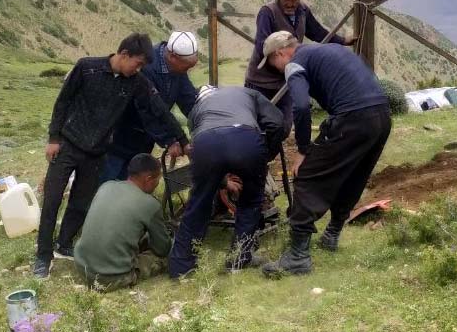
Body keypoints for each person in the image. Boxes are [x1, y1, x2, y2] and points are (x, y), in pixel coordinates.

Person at [33, 33, 186, 279]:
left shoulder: (136, 82)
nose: (138, 70)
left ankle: (64, 244)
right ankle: (43, 256)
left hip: (97, 152)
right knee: (52, 200)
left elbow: (159, 111)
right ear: (124, 55)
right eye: (137, 63)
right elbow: (62, 101)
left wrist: (182, 140)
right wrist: (53, 138)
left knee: (81, 202)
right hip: (68, 145)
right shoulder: (87, 67)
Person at [258, 31, 391, 277]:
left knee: (307, 174)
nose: (276, 70)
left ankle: (298, 256)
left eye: (273, 64)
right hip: (381, 116)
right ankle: (331, 234)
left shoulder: (294, 63)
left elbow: (300, 106)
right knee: (353, 175)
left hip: (353, 117)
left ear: (279, 54)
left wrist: (303, 149)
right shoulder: (329, 49)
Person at [167, 85, 285, 278]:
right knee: (250, 203)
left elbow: (201, 149)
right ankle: (238, 261)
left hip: (207, 144)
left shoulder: (196, 111)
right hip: (246, 140)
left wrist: (220, 180)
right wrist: (265, 154)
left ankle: (181, 269)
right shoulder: (246, 93)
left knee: (198, 204)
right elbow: (277, 122)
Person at [244, 0, 356, 135]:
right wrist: (281, 58)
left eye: (294, 0)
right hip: (260, 82)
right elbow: (262, 44)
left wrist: (342, 41)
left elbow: (317, 32)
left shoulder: (303, 11)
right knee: (256, 126)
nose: (290, 4)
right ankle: (258, 157)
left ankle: (266, 153)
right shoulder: (267, 12)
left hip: (286, 80)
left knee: (283, 126)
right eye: (285, 0)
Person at [101, 31, 199, 182]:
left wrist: (203, 122)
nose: (187, 71)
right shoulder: (147, 66)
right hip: (120, 137)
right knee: (109, 183)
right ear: (173, 56)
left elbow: (189, 101)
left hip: (144, 142)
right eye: (186, 67)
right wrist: (170, 140)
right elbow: (146, 111)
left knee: (133, 185)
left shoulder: (178, 69)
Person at [74, 154, 171, 292]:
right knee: (162, 258)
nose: (157, 184)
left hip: (82, 268)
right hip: (110, 279)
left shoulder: (106, 186)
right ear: (148, 179)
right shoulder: (150, 204)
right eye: (157, 179)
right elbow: (162, 249)